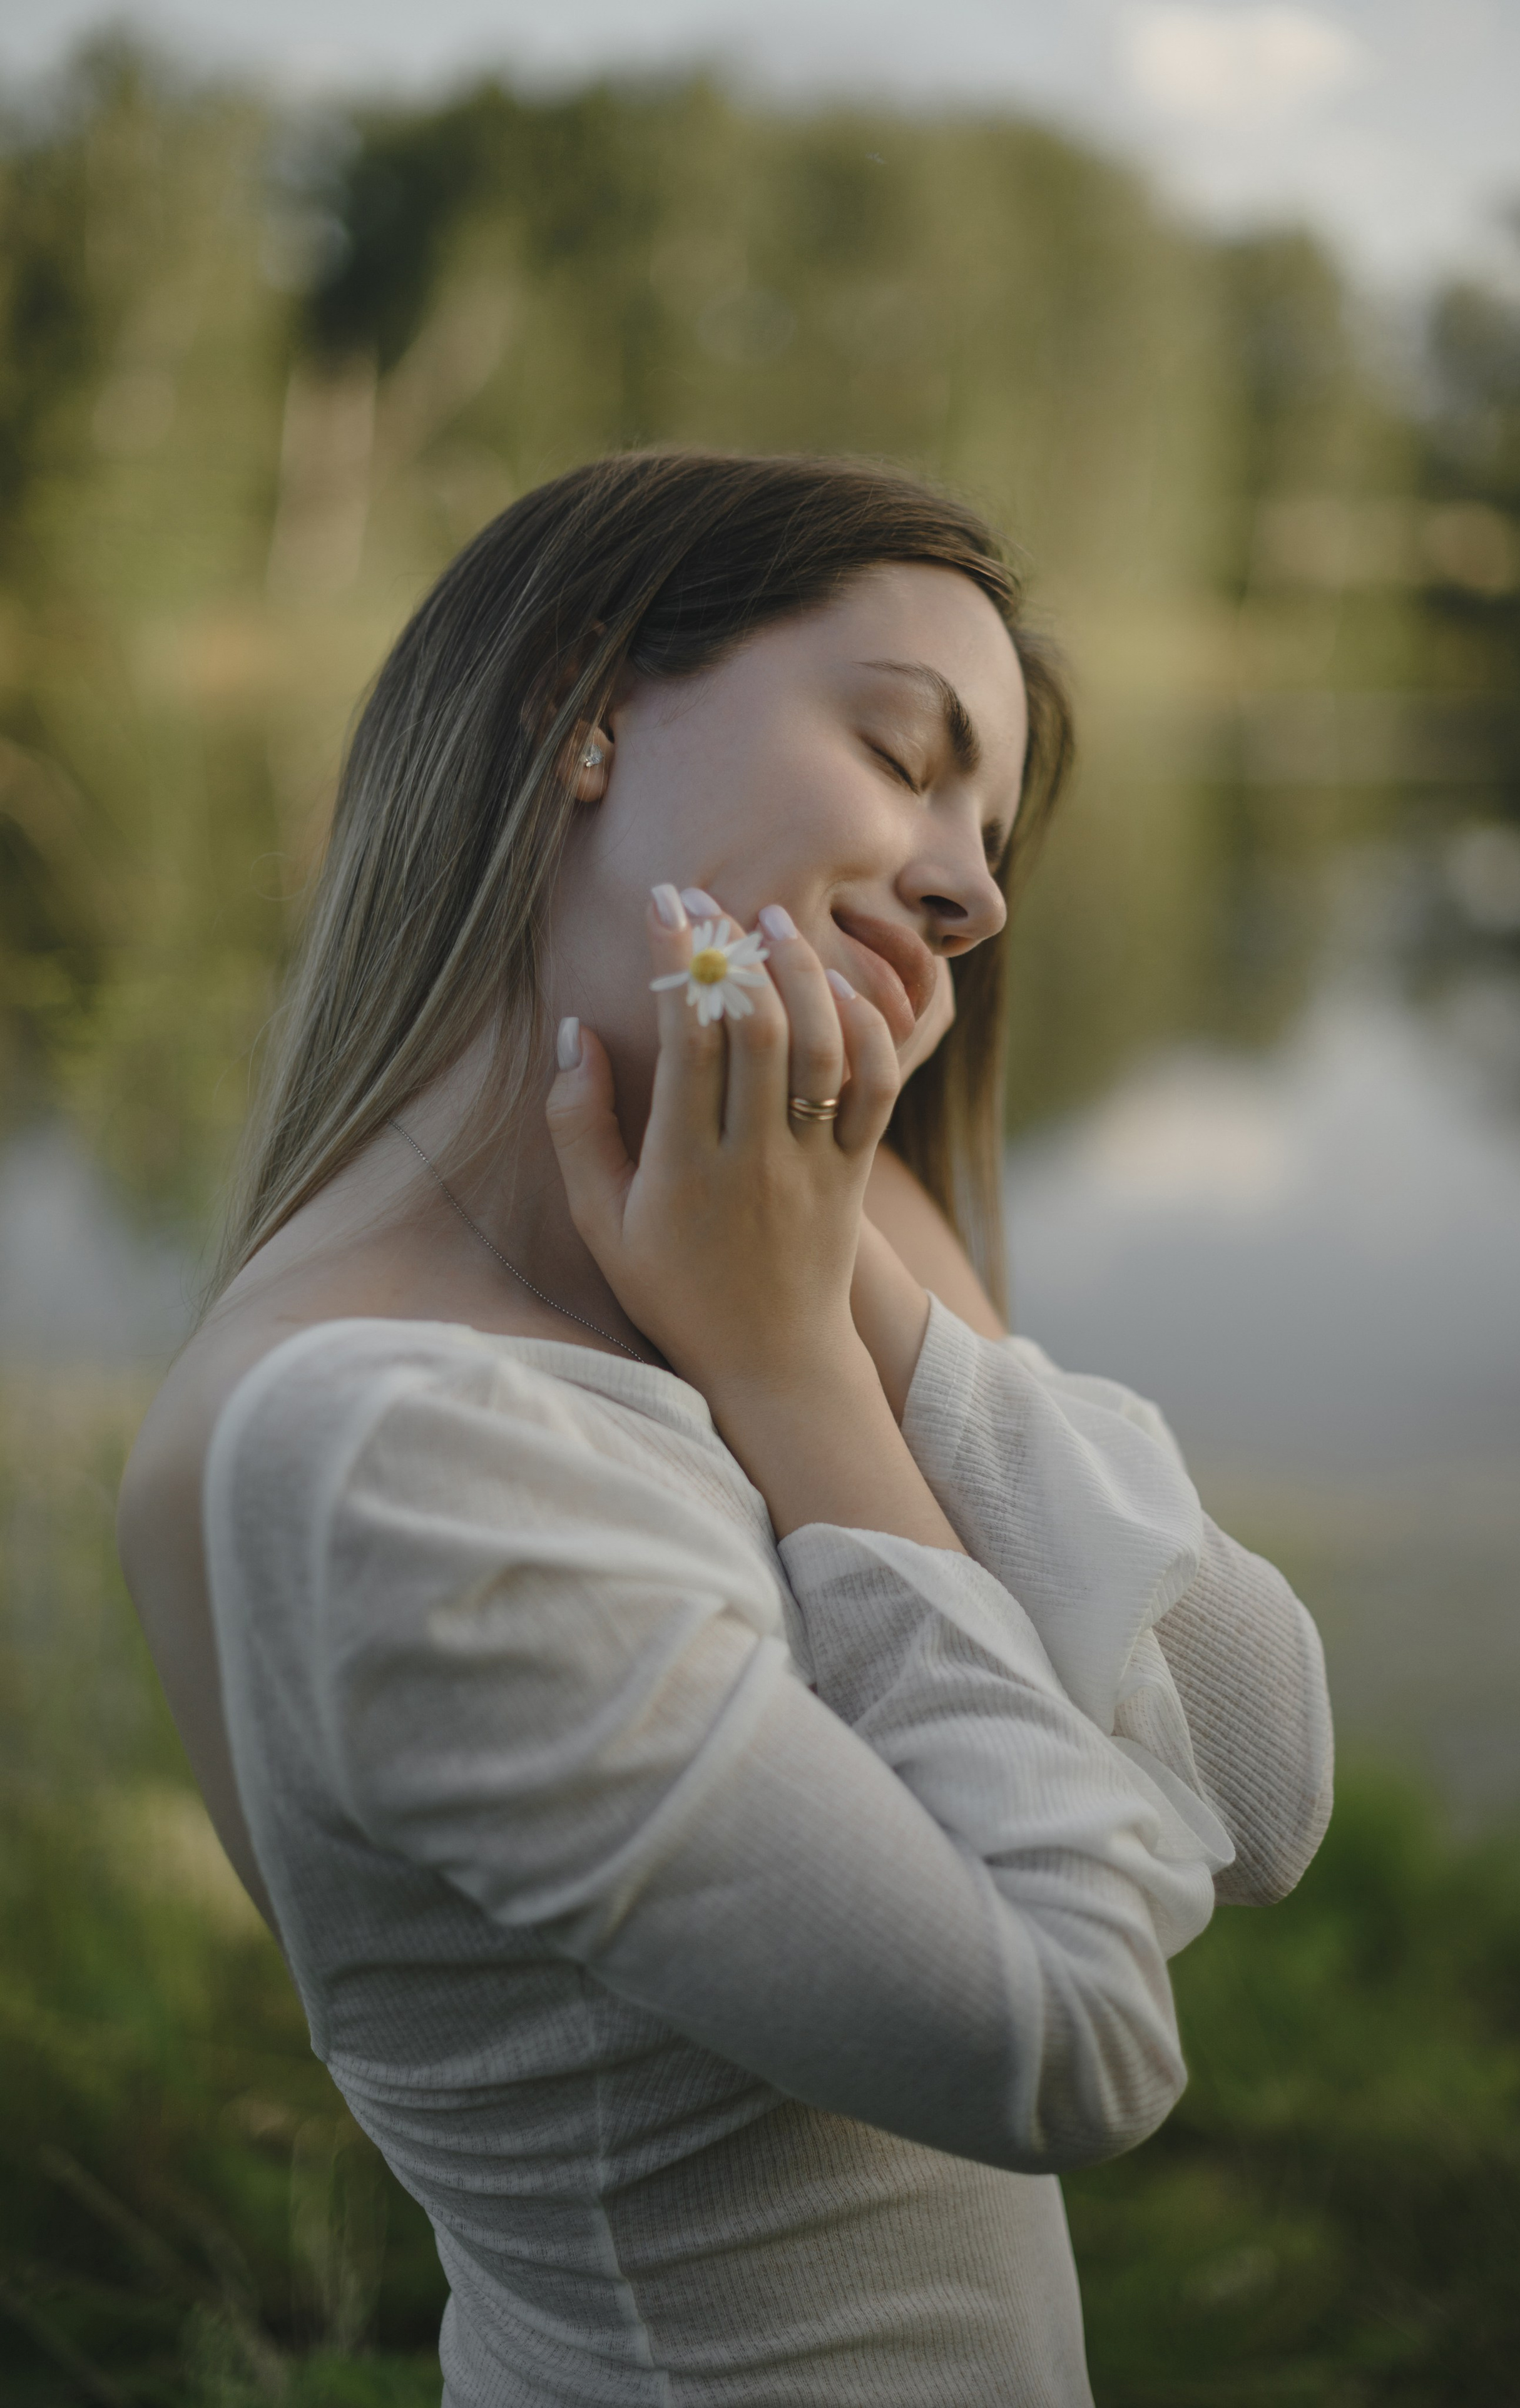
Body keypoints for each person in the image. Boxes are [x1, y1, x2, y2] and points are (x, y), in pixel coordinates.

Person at [118, 450, 1333, 2407]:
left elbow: (1260, 1782)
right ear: (584, 702)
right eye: (904, 753)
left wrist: (821, 1273)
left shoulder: (813, 1222)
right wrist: (785, 1383)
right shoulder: (371, 1446)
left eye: (994, 830)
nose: (973, 885)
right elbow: (1077, 2041)